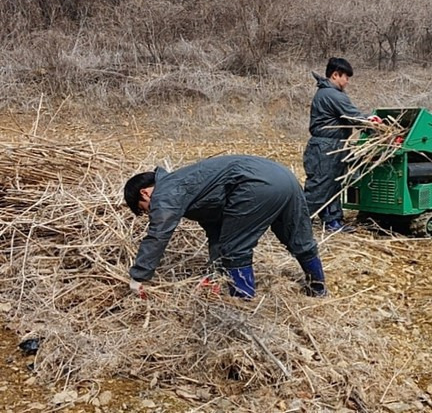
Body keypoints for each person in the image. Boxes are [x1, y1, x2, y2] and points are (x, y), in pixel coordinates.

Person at [123, 155, 326, 299]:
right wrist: (215, 272)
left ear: (145, 194)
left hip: (255, 184)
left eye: (145, 209)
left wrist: (139, 275)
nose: (152, 213)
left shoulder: (166, 192)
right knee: (296, 236)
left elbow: (158, 234)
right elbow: (217, 231)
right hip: (283, 175)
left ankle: (242, 298)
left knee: (235, 249)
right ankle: (318, 289)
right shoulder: (189, 184)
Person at [303, 57, 380, 232]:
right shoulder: (332, 95)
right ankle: (295, 221)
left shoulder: (328, 93)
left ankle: (332, 221)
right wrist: (372, 123)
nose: (347, 82)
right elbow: (353, 116)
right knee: (320, 185)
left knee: (333, 184)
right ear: (336, 75)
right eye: (346, 77)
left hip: (335, 145)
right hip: (326, 147)